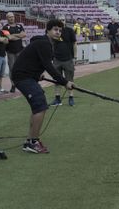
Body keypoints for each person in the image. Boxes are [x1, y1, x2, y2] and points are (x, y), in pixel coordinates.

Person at [10, 19, 74, 154]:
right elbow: (49, 66)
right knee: (40, 106)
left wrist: (36, 74)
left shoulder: (46, 43)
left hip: (26, 76)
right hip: (22, 77)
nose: (58, 32)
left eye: (60, 30)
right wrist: (65, 82)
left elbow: (34, 60)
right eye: (55, 29)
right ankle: (33, 142)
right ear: (48, 30)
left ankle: (30, 141)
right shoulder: (44, 43)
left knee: (38, 106)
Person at [51, 19, 77, 106]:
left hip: (68, 59)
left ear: (65, 21)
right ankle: (57, 98)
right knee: (56, 79)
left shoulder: (70, 31)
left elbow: (74, 44)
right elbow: (51, 44)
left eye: (63, 20)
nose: (62, 21)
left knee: (69, 79)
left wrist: (75, 57)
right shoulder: (54, 31)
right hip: (56, 59)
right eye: (60, 20)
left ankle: (71, 97)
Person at [3, 13, 26, 92]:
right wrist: (19, 35)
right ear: (7, 18)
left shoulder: (19, 26)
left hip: (20, 50)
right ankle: (13, 84)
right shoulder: (5, 27)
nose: (11, 18)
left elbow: (24, 35)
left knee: (20, 67)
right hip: (10, 51)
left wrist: (14, 35)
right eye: (9, 17)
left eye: (12, 17)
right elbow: (9, 37)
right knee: (12, 68)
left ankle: (21, 83)